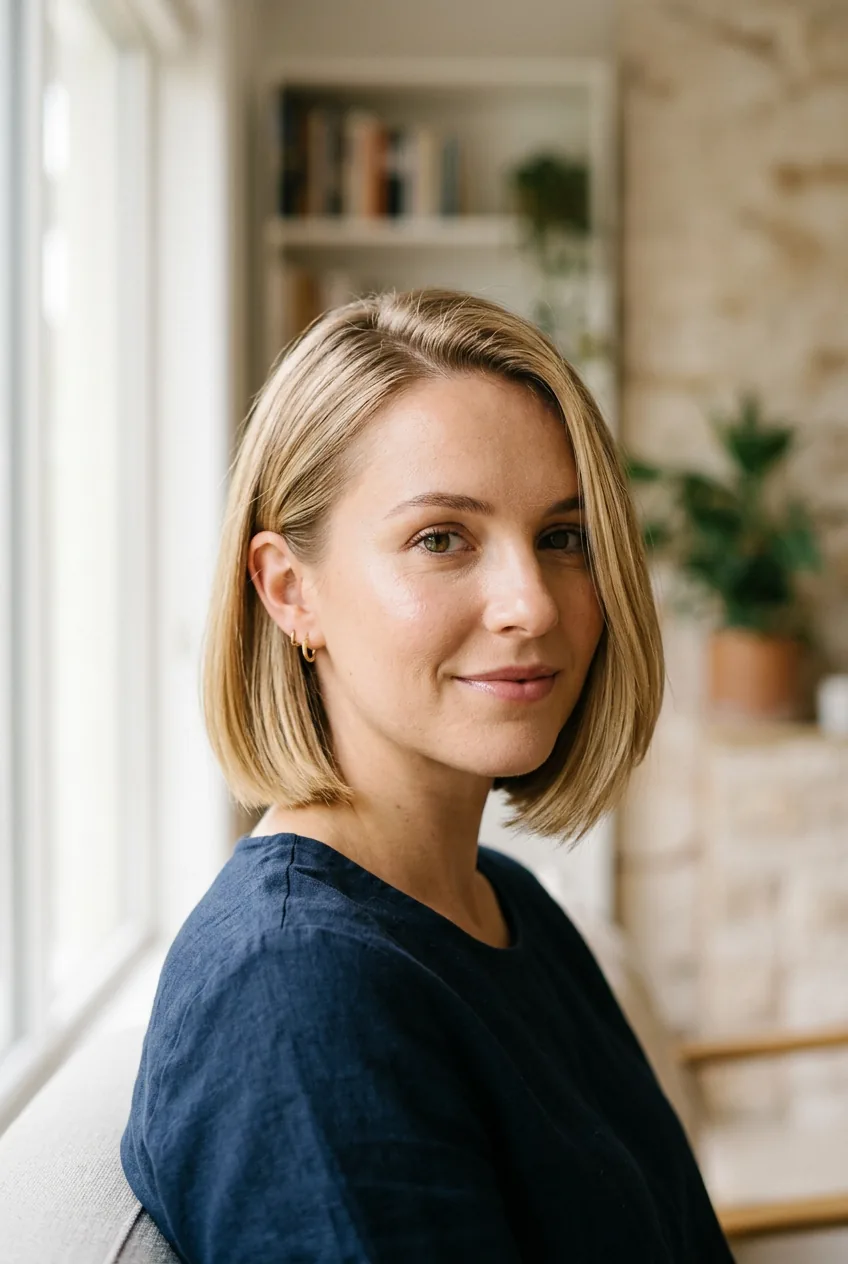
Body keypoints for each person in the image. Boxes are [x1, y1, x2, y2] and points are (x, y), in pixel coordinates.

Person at [120, 288, 733, 1262]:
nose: (530, 603)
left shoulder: (504, 902)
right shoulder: (298, 992)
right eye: (440, 538)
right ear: (290, 591)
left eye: (562, 536)